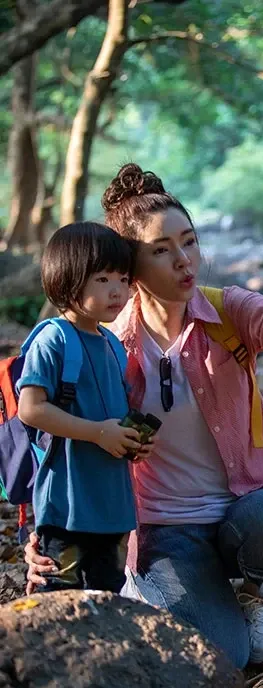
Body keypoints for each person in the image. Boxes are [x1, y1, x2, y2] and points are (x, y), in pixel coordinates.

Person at [24, 164, 263, 668]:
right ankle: (156, 589)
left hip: (241, 507)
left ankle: (255, 596)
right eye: (161, 251)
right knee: (224, 658)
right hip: (163, 528)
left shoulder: (225, 311)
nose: (184, 261)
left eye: (189, 242)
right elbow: (64, 438)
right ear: (130, 267)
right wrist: (46, 529)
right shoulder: (109, 345)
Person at [17, 222, 152, 593]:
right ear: (68, 280)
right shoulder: (53, 338)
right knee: (57, 590)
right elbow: (31, 408)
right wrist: (98, 432)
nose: (118, 291)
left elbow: (114, 412)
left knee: (107, 591)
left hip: (111, 504)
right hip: (67, 500)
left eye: (124, 279)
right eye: (103, 279)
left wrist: (130, 440)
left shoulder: (111, 343)